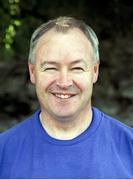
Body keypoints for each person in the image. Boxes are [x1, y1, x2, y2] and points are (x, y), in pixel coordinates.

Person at [0, 16, 133, 179]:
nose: (64, 82)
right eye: (51, 68)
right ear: (33, 72)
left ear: (95, 71)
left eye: (76, 68)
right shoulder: (3, 152)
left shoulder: (129, 147)